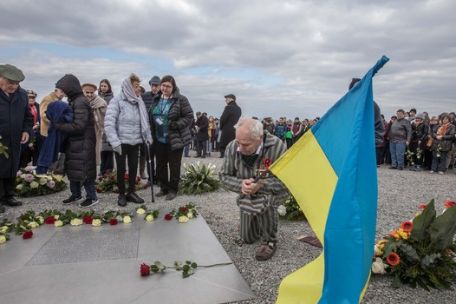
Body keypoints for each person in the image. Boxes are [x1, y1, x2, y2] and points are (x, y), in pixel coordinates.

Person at [219, 118, 288, 261]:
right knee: (248, 238)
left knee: (265, 199)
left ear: (259, 138)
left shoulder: (277, 147)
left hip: (272, 192)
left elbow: (286, 182)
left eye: (246, 144)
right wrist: (241, 185)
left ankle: (270, 241)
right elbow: (223, 176)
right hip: (248, 195)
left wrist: (261, 184)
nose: (240, 148)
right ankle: (255, 221)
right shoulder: (233, 147)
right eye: (238, 142)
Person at [105, 74, 152, 206]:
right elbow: (109, 123)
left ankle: (131, 192)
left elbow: (144, 122)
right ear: (129, 86)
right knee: (121, 169)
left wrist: (147, 137)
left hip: (135, 141)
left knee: (133, 167)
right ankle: (121, 194)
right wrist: (114, 142)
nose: (139, 89)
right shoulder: (117, 101)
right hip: (121, 142)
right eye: (136, 86)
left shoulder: (139, 101)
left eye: (138, 86)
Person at [54, 74, 98, 207]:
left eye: (63, 89)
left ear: (70, 88)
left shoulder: (80, 102)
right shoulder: (74, 100)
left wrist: (59, 126)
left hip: (83, 142)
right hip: (75, 142)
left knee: (84, 171)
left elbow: (79, 126)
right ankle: (76, 194)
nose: (62, 92)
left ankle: (92, 197)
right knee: (73, 169)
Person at [149, 75, 193, 200]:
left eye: (168, 86)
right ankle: (164, 187)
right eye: (163, 85)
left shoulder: (180, 99)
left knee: (174, 166)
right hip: (158, 138)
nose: (165, 88)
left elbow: (189, 116)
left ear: (173, 87)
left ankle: (173, 189)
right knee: (161, 165)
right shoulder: (157, 99)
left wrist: (176, 124)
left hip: (174, 139)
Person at [0, 64, 33, 213]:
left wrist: (26, 130)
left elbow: (28, 117)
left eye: (17, 83)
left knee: (12, 165)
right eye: (10, 83)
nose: (14, 86)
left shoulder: (22, 95)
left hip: (14, 139)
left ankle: (9, 195)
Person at [81, 83, 107, 171]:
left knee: (94, 154)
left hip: (95, 130)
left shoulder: (100, 102)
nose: (89, 95)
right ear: (83, 91)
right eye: (87, 92)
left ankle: (92, 177)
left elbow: (106, 116)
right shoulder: (79, 101)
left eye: (91, 92)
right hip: (82, 131)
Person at [140, 75, 161, 181]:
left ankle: (158, 177)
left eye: (157, 86)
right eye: (153, 85)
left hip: (160, 131)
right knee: (149, 156)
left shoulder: (163, 97)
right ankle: (151, 178)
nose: (154, 88)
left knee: (160, 157)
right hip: (148, 131)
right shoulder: (145, 96)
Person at [20, 90, 41, 167]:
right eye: (30, 97)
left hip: (37, 134)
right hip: (26, 134)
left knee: (36, 157)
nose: (32, 99)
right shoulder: (22, 106)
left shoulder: (38, 106)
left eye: (33, 97)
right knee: (25, 157)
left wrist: (39, 124)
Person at [98, 79, 115, 176]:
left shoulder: (112, 98)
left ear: (108, 87)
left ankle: (109, 170)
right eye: (102, 86)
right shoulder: (97, 97)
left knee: (109, 149)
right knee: (101, 149)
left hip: (108, 125)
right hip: (99, 125)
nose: (103, 88)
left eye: (105, 86)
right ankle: (102, 169)